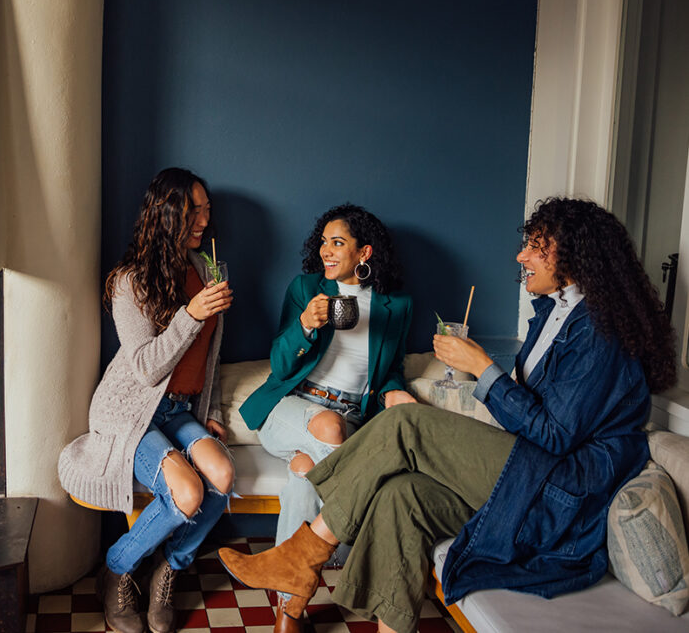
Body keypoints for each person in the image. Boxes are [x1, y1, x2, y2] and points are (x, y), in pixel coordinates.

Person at [218, 197, 676, 633]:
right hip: (529, 472)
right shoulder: (552, 315)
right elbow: (540, 415)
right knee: (399, 496)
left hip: (558, 495)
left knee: (405, 424)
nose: (521, 256)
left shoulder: (599, 331)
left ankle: (307, 553)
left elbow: (555, 435)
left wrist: (483, 368)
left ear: (576, 255)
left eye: (537, 246)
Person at [59, 167, 234, 633]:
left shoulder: (205, 271)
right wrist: (190, 315)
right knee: (188, 492)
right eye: (193, 210)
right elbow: (145, 368)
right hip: (130, 411)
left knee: (222, 474)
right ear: (166, 213)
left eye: (207, 209)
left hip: (179, 410)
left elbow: (211, 354)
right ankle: (117, 569)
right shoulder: (130, 281)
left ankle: (168, 569)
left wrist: (213, 411)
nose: (204, 220)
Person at [237, 204, 415, 630]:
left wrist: (395, 393)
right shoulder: (306, 289)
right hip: (290, 408)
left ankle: (288, 610)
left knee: (304, 475)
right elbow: (280, 366)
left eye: (338, 243)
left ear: (364, 252)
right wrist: (304, 324)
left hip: (351, 416)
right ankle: (354, 544)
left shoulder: (396, 305)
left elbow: (391, 370)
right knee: (329, 427)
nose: (326, 251)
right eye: (323, 242)